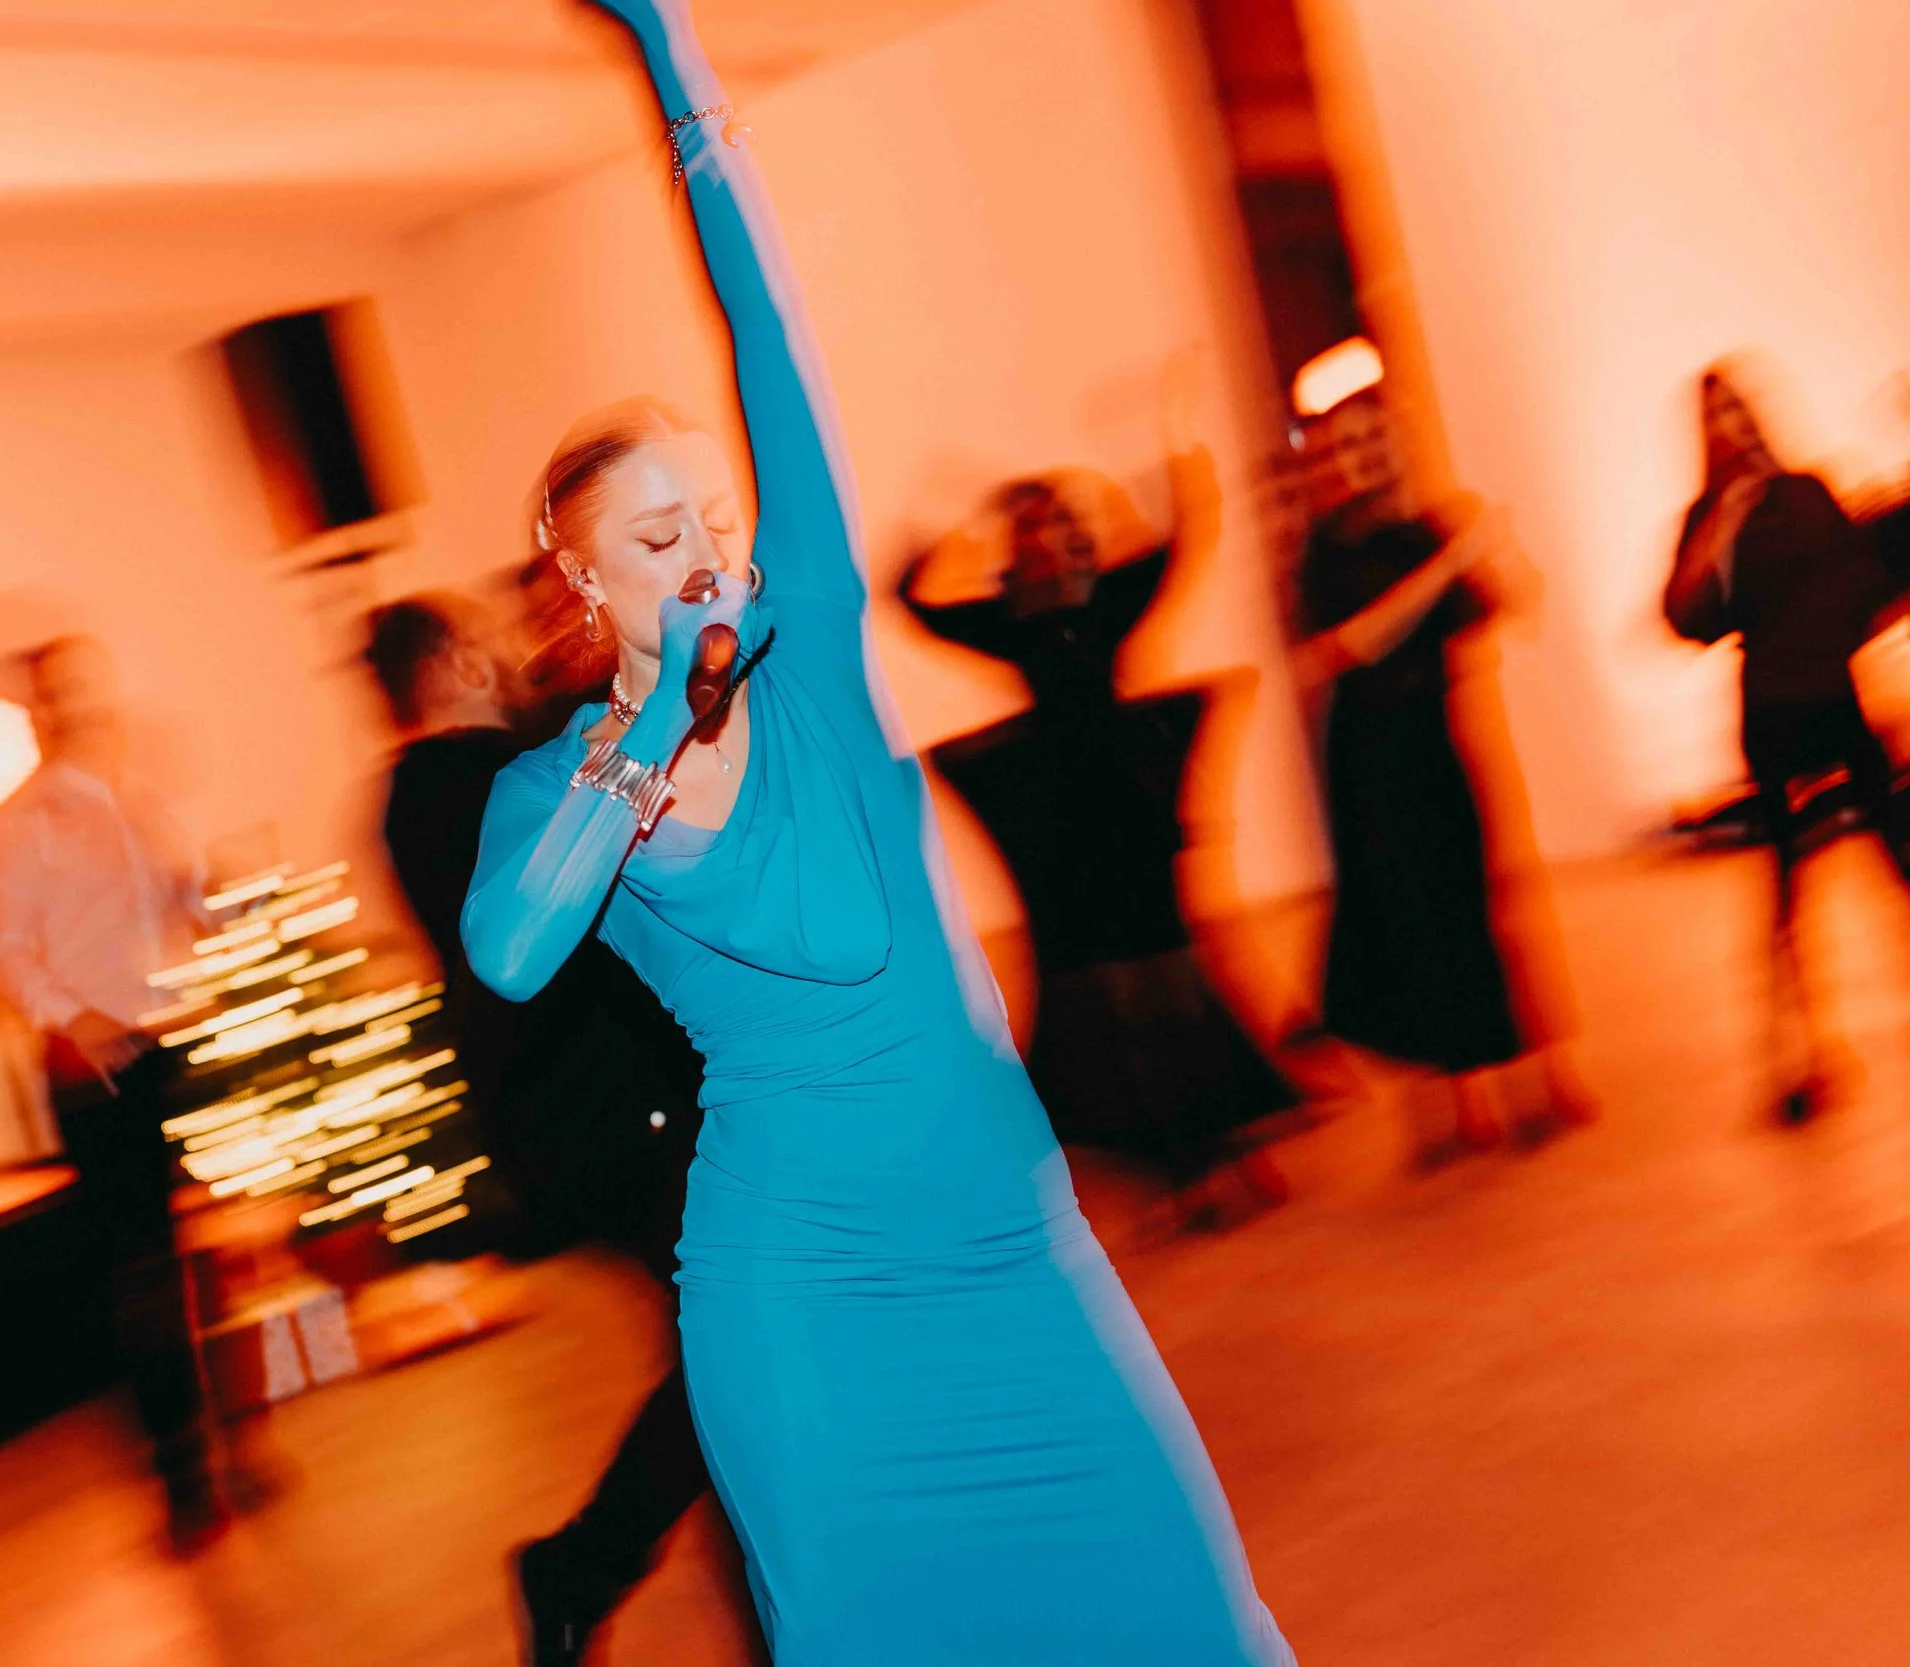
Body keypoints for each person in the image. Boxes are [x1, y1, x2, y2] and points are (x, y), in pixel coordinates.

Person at [460, 2, 1294, 1659]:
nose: (704, 543)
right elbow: (511, 944)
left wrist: (670, 57)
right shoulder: (557, 786)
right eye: (654, 532)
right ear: (585, 581)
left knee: (1191, 1613)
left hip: (1009, 1238)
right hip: (803, 1292)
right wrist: (651, 734)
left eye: (709, 508)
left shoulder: (816, 635)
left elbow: (769, 331)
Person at [363, 594, 727, 1665]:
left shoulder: (452, 782)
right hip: (597, 1118)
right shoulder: (450, 787)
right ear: (449, 664)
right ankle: (582, 1565)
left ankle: (614, 1565)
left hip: (600, 1113)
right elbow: (584, 831)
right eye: (482, 644)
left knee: (732, 1337)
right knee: (731, 1339)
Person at [901, 465, 1297, 1229]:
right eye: (1025, 527)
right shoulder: (1009, 615)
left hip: (1132, 803)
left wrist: (1130, 496)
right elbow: (912, 600)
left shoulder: (1112, 592)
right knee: (1106, 986)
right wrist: (960, 528)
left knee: (1171, 972)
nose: (1040, 536)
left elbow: (1183, 537)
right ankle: (1184, 1167)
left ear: (1072, 531)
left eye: (1052, 521)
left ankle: (1235, 1145)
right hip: (1061, 821)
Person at [0, 634, 228, 1553]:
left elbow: (177, 904)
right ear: (37, 712)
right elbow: (3, 951)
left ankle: (224, 1454)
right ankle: (183, 1480)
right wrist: (71, 1022)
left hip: (161, 1045)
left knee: (190, 1253)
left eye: (82, 690)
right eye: (56, 697)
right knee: (142, 1283)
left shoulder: (132, 801)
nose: (76, 708)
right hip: (97, 1069)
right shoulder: (24, 822)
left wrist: (213, 901)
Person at [1294, 387, 1589, 1159]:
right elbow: (1351, 644)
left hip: (1437, 738)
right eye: (1350, 446)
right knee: (1411, 919)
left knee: (1484, 902)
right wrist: (1448, 561)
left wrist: (1494, 548)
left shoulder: (1428, 529)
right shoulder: (1330, 546)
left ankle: (1540, 1079)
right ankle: (1463, 1102)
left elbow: (1517, 606)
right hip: (1370, 751)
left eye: (1377, 441)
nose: (1366, 456)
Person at [1665, 367, 1905, 1120]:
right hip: (1773, 714)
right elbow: (1687, 614)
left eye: (1740, 407)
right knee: (1787, 893)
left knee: (1902, 858)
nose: (1733, 425)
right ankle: (1797, 1056)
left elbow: (1861, 581)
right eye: (1718, 416)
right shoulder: (1708, 514)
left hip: (1839, 700)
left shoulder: (1808, 490)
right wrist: (1723, 525)